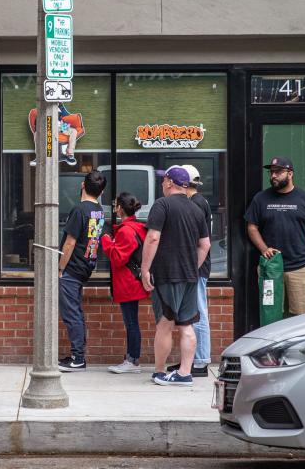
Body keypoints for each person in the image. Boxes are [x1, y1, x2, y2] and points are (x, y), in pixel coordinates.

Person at [140, 166, 210, 387]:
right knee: (187, 325)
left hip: (167, 275)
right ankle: (185, 373)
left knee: (164, 325)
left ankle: (160, 372)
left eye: (163, 181)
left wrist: (144, 269)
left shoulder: (162, 205)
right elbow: (205, 245)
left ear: (170, 182)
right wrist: (192, 266)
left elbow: (152, 238)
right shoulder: (196, 209)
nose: (162, 184)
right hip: (190, 276)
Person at [245, 156, 305, 316]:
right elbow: (252, 227)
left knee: (301, 317)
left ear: (290, 174)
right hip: (271, 268)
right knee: (271, 313)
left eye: (278, 172)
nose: (273, 176)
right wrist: (264, 249)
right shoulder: (261, 199)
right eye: (271, 172)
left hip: (301, 266)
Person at [57, 170, 107, 372]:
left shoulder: (79, 210)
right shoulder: (99, 210)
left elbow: (69, 243)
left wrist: (60, 268)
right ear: (101, 191)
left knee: (72, 313)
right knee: (75, 311)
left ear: (82, 186)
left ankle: (78, 358)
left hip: (72, 268)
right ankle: (78, 354)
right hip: (86, 265)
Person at [100, 192, 150, 374]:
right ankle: (131, 359)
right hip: (132, 282)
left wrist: (105, 239)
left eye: (115, 205)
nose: (114, 208)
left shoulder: (127, 231)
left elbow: (117, 257)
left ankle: (132, 360)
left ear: (120, 208)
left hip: (128, 283)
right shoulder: (137, 227)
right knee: (132, 322)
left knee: (131, 323)